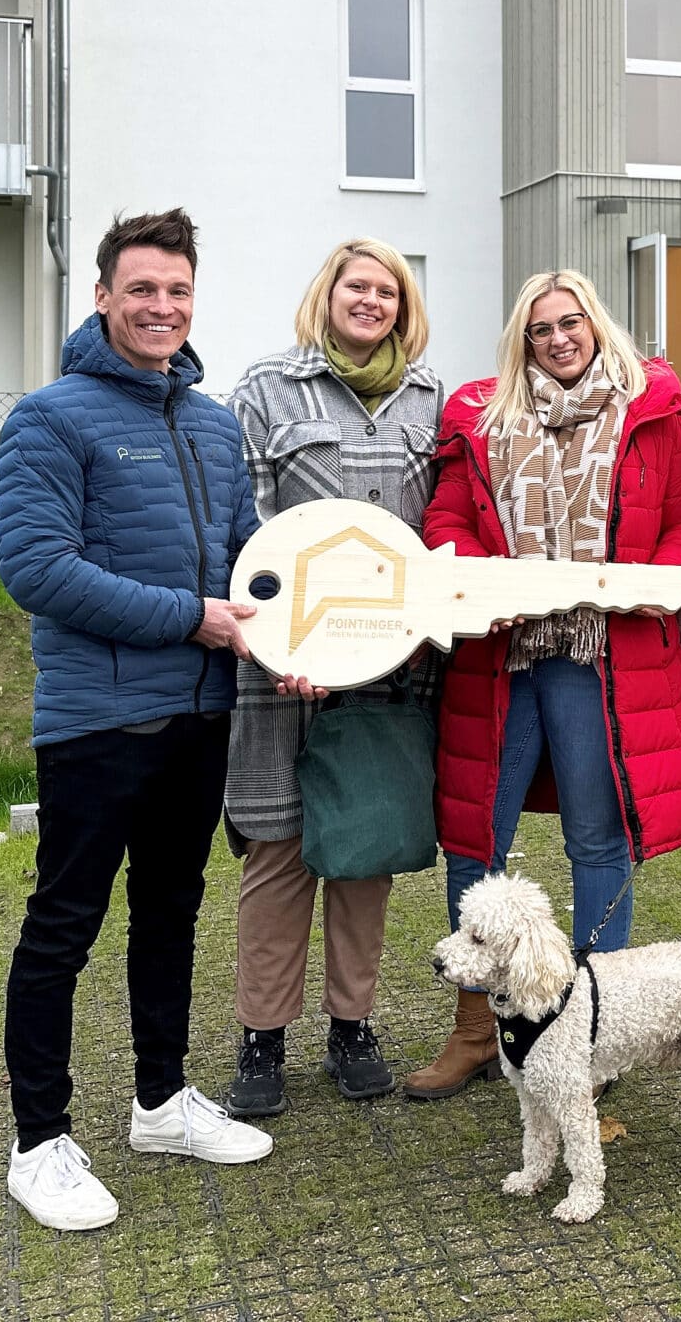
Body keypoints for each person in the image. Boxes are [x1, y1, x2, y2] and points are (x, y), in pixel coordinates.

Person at [0, 208, 274, 1234]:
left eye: (179, 292)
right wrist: (192, 620)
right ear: (104, 295)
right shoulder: (50, 419)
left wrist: (284, 644)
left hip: (201, 718)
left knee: (170, 913)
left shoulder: (211, 423)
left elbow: (252, 566)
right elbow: (38, 569)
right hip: (97, 724)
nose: (162, 308)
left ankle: (160, 1102)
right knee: (62, 926)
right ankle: (39, 1142)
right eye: (143, 289)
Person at [401, 268, 681, 1100]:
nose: (557, 339)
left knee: (597, 841)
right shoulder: (482, 417)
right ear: (523, 340)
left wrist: (653, 583)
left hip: (599, 656)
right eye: (540, 330)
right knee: (475, 840)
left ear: (595, 325)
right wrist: (485, 584)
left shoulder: (649, 412)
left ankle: (591, 1025)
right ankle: (477, 1028)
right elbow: (447, 521)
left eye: (570, 323)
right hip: (499, 657)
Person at [220, 238, 443, 1118]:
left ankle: (352, 1027)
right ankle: (261, 1039)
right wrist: (279, 647)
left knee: (363, 854)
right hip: (284, 672)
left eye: (388, 291)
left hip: (390, 674)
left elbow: (440, 532)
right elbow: (242, 526)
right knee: (277, 851)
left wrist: (426, 629)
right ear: (329, 293)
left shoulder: (433, 398)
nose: (372, 302)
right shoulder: (267, 390)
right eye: (358, 286)